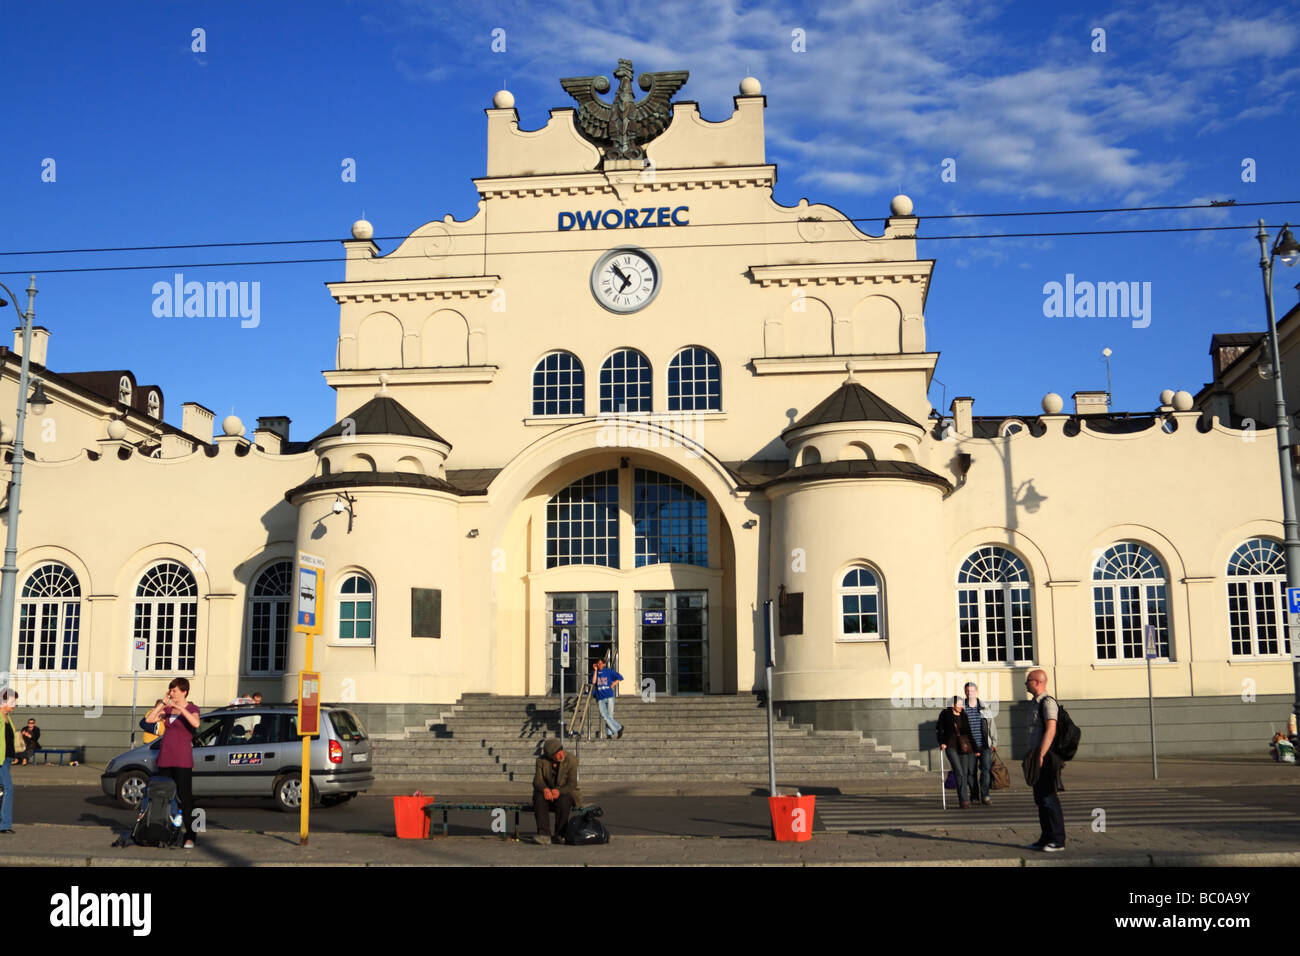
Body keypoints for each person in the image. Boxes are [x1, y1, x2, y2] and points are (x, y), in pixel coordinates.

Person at [147, 677, 201, 848]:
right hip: (165, 758)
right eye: (170, 690)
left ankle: (190, 836)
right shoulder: (168, 709)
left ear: (184, 691)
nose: (172, 693)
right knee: (164, 797)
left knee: (186, 799)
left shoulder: (192, 708)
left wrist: (181, 709)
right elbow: (150, 720)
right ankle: (165, 832)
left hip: (182, 760)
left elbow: (195, 723)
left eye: (175, 690)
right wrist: (162, 703)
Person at [1025, 669, 1065, 852]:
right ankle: (1045, 837)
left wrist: (1041, 755)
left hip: (1046, 758)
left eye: (1028, 681)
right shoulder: (1035, 703)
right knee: (1040, 799)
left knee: (1049, 798)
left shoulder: (1047, 703)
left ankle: (1057, 840)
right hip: (1036, 757)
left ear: (1037, 682)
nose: (1026, 684)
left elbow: (1051, 729)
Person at [532, 737, 581, 844]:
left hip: (565, 793)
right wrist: (545, 789)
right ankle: (544, 835)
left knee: (564, 799)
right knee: (538, 797)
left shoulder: (571, 759)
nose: (561, 755)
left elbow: (572, 784)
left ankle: (560, 834)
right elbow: (537, 781)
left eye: (561, 751)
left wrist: (559, 791)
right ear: (549, 756)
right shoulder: (541, 761)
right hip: (549, 795)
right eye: (557, 754)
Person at [936, 695, 978, 808]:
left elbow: (968, 733)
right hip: (950, 746)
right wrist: (942, 742)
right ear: (953, 704)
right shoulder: (945, 714)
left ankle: (963, 800)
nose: (961, 706)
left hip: (963, 747)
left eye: (962, 704)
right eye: (959, 704)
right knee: (958, 771)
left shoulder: (963, 715)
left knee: (964, 774)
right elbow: (940, 729)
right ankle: (964, 799)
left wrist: (975, 749)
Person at [963, 682, 998, 805]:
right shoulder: (962, 707)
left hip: (984, 744)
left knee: (985, 770)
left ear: (976, 692)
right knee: (970, 772)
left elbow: (991, 725)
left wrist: (994, 741)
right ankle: (974, 795)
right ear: (965, 692)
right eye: (967, 691)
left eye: (972, 691)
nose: (970, 693)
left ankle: (985, 795)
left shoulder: (984, 707)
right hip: (969, 746)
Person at [591, 658, 624, 739]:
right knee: (605, 716)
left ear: (604, 664)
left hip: (609, 696)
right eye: (598, 664)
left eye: (601, 663)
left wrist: (614, 684)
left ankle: (609, 734)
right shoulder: (595, 672)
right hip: (600, 697)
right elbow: (593, 682)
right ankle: (619, 728)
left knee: (609, 715)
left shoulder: (609, 671)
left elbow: (620, 677)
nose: (600, 665)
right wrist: (595, 671)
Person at [0, 689, 17, 832]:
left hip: (7, 759)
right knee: (8, 788)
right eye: (12, 701)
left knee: (2, 790)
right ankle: (4, 825)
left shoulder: (8, 718)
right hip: (0, 760)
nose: (14, 704)